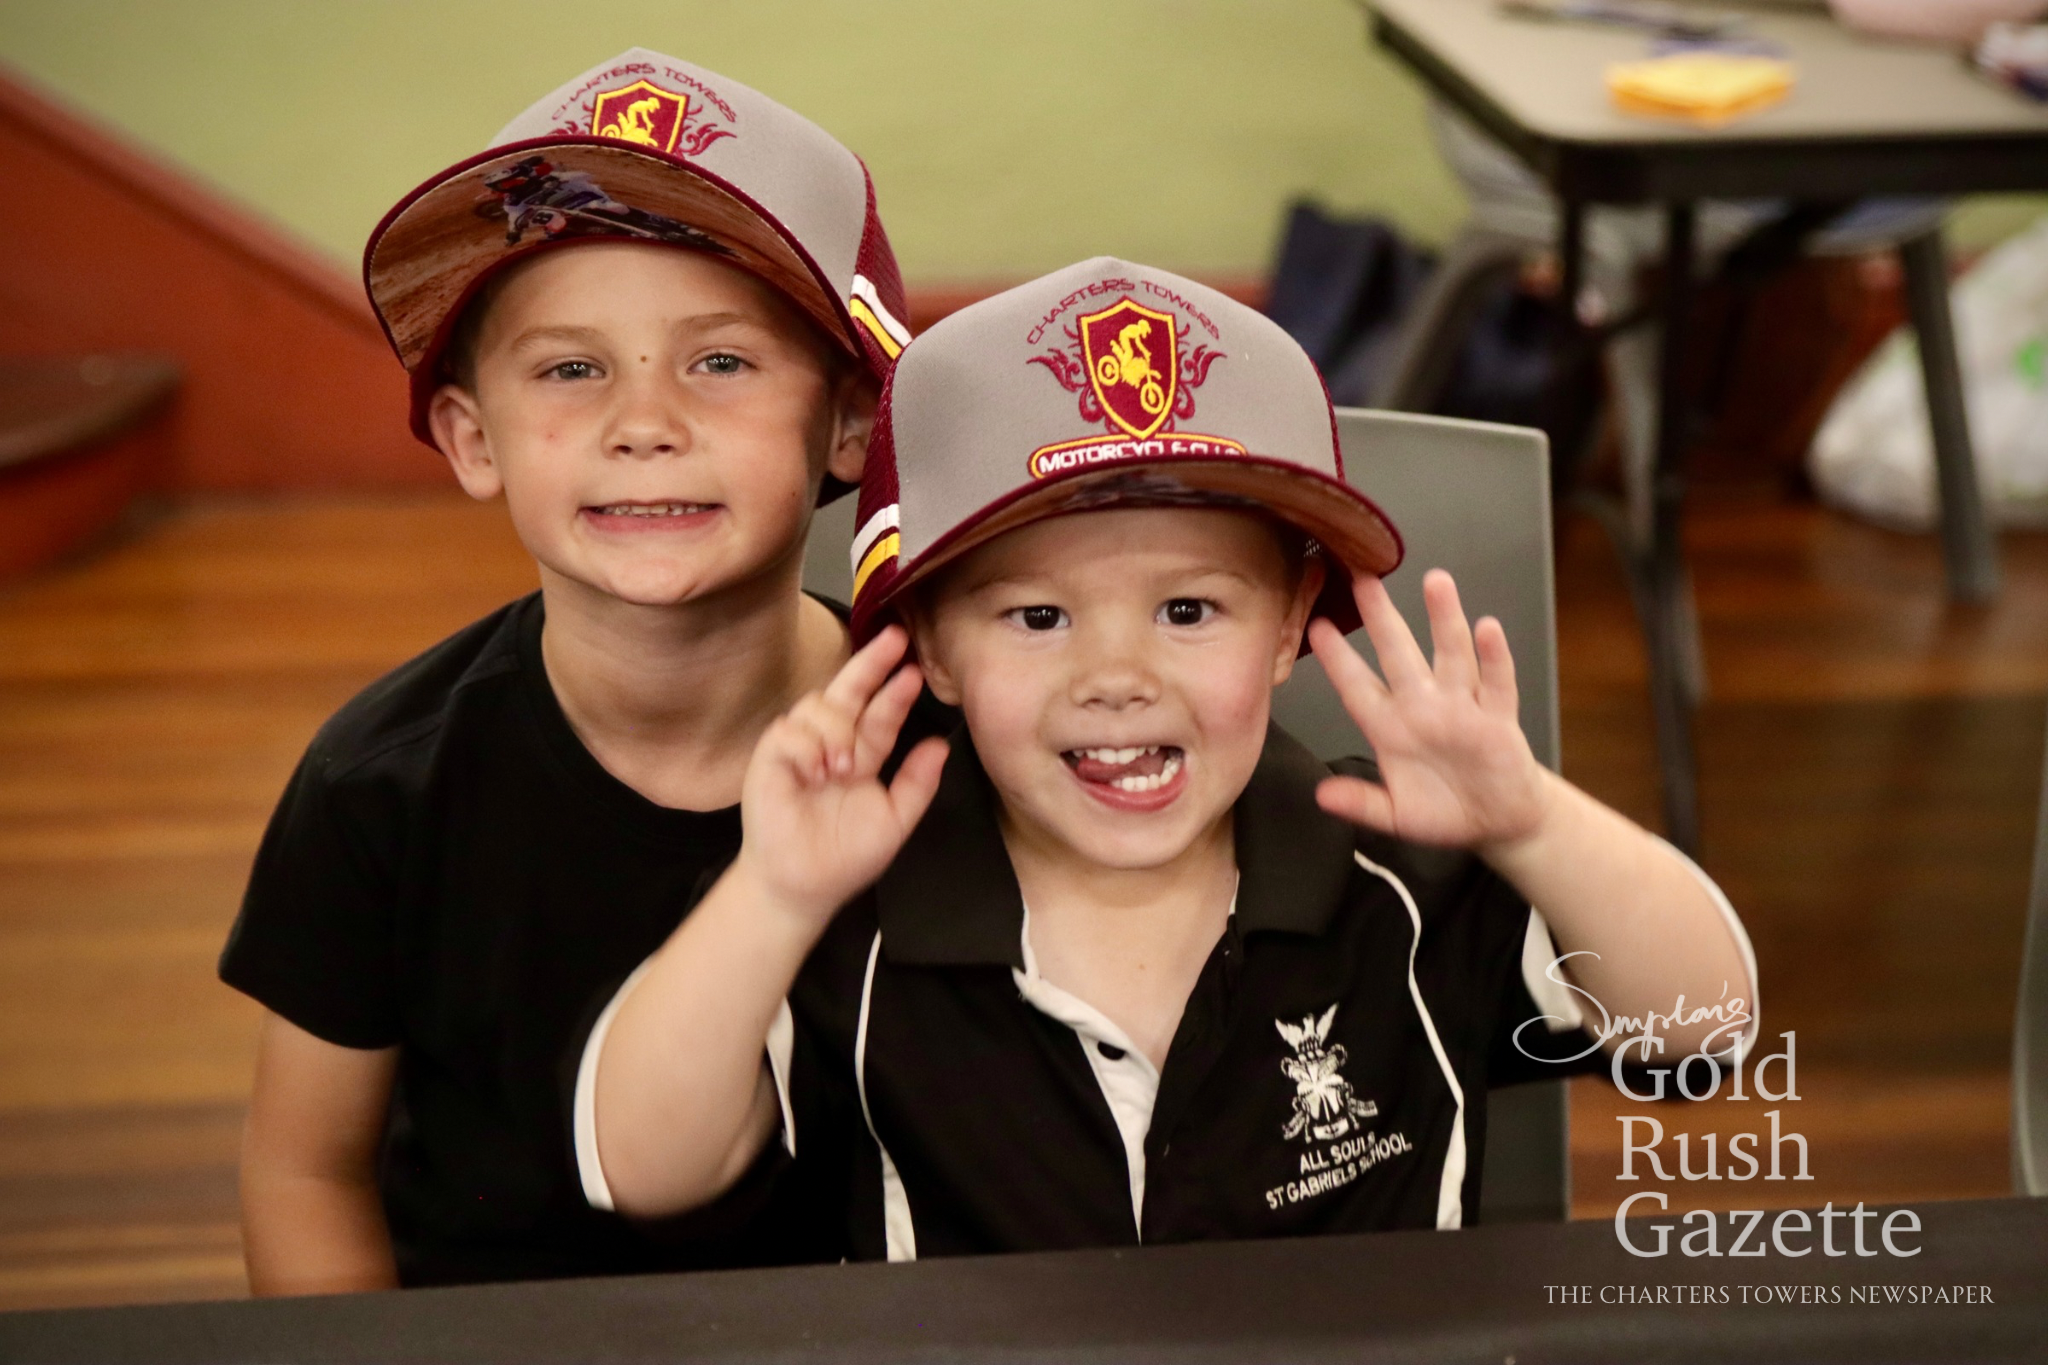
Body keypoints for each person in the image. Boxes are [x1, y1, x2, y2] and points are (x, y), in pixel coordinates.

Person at [581, 258, 1759, 1260]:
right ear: (930, 646)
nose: (1117, 674)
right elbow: (644, 1169)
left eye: (1188, 612)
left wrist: (1531, 822)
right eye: (1036, 619)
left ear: (1296, 619)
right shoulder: (850, 912)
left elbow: (1703, 1024)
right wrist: (774, 894)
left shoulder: (1403, 879)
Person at [217, 48, 930, 1292]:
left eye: (720, 361)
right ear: (472, 437)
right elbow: (303, 1174)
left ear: (851, 423)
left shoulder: (959, 737)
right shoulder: (378, 786)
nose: (642, 420)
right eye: (569, 367)